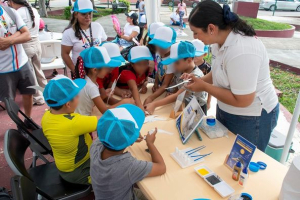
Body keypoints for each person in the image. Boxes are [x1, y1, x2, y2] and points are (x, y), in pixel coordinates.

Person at [186, 1, 279, 151]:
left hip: (251, 117)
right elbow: (218, 70)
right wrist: (198, 80)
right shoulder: (218, 41)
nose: (195, 37)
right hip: (228, 109)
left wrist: (204, 86)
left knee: (241, 163)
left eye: (196, 32)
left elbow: (243, 100)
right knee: (224, 153)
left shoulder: (242, 50)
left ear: (211, 28)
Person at [90, 104, 166, 200]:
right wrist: (150, 144)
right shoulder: (128, 166)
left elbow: (108, 133)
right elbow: (161, 167)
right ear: (130, 143)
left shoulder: (95, 146)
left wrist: (129, 136)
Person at [42, 75, 99, 185]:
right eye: (77, 96)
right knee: (115, 175)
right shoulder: (74, 123)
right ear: (68, 104)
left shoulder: (47, 116)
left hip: (65, 168)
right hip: (81, 172)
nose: (79, 98)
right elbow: (106, 122)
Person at [145, 41, 207, 115]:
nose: (174, 66)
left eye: (176, 62)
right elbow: (177, 89)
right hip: (184, 103)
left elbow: (177, 95)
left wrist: (154, 104)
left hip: (197, 109)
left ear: (189, 60)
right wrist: (172, 92)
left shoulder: (195, 76)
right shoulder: (180, 70)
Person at [8, 0, 47, 106]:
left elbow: (15, 30)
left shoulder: (17, 13)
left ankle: (38, 98)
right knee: (39, 70)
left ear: (12, 2)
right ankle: (47, 94)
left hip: (26, 45)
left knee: (31, 74)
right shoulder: (34, 10)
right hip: (36, 43)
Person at [0, 5, 35, 122]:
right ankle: (18, 124)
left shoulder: (10, 11)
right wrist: (17, 34)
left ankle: (28, 119)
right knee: (10, 102)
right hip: (3, 69)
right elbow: (1, 45)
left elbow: (27, 34)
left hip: (22, 62)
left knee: (29, 93)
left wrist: (9, 40)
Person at [75, 46, 134, 116]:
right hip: (83, 120)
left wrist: (104, 94)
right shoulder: (91, 86)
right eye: (106, 67)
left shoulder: (88, 81)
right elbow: (105, 112)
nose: (108, 71)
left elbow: (90, 100)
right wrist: (123, 102)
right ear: (95, 70)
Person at [61, 0, 107, 78]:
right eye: (83, 14)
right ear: (76, 14)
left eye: (90, 13)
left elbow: (104, 43)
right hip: (80, 71)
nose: (88, 16)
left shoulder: (97, 26)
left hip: (98, 70)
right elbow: (65, 54)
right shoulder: (69, 32)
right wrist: (75, 71)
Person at [144, 26, 177, 105]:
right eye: (157, 45)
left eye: (163, 46)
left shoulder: (172, 60)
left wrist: (151, 97)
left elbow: (166, 84)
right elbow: (158, 69)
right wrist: (156, 83)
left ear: (172, 44)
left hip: (170, 91)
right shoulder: (158, 52)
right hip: (161, 88)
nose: (159, 49)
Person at [117, 46, 153, 112]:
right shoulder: (128, 72)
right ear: (132, 64)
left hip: (130, 89)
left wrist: (143, 85)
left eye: (145, 63)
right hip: (116, 89)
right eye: (139, 64)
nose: (142, 67)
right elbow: (134, 88)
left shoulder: (147, 69)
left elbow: (145, 80)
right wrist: (141, 109)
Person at [191, 39, 211, 111]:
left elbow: (210, 86)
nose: (195, 56)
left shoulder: (208, 68)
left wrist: (208, 102)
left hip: (201, 101)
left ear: (205, 54)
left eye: (198, 54)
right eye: (193, 54)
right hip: (189, 98)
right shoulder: (189, 65)